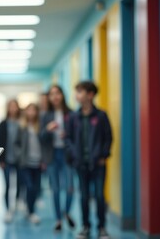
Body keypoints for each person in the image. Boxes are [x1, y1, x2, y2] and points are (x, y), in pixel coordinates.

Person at [66, 81, 112, 239]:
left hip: (98, 164)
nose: (76, 95)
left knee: (99, 196)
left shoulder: (101, 116)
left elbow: (108, 138)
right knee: (84, 197)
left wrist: (103, 156)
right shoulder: (74, 117)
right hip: (81, 163)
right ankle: (85, 226)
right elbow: (69, 139)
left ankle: (102, 228)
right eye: (76, 92)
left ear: (90, 95)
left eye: (80, 92)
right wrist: (74, 155)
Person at [40, 85, 75, 232]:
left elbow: (77, 136)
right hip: (52, 155)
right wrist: (47, 129)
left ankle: (66, 211)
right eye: (52, 94)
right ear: (49, 97)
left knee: (69, 187)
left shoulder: (72, 114)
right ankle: (58, 219)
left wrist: (66, 135)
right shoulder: (46, 115)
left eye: (57, 93)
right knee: (55, 189)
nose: (55, 96)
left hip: (67, 154)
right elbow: (41, 138)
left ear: (62, 95)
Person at [15, 103, 43, 224]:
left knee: (36, 188)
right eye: (29, 110)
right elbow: (16, 143)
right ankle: (31, 211)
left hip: (38, 163)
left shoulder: (40, 126)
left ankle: (30, 209)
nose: (31, 113)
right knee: (29, 187)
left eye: (33, 110)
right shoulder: (21, 126)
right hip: (25, 163)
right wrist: (20, 156)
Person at [0, 99, 23, 223]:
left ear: (18, 108)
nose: (12, 108)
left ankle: (17, 202)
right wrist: (0, 159)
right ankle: (7, 209)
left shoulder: (22, 123)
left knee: (19, 184)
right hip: (6, 159)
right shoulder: (3, 123)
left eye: (14, 106)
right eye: (10, 106)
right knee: (7, 185)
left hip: (20, 159)